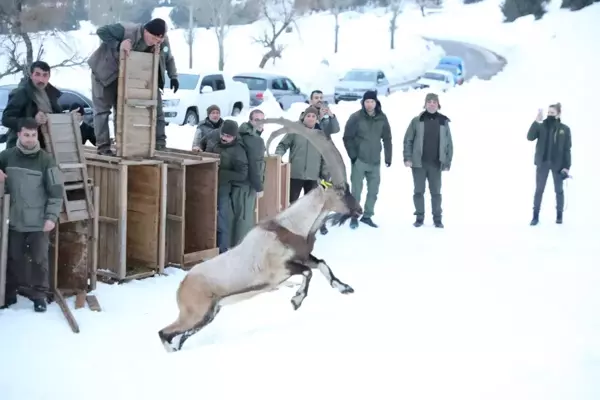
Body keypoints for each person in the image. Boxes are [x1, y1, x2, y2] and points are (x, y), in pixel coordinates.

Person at [87, 18, 179, 155]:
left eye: (159, 40)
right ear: (147, 31)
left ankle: (124, 145)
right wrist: (119, 44)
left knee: (124, 110)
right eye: (154, 39)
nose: (156, 42)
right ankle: (103, 147)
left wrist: (173, 76)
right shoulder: (127, 30)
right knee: (102, 112)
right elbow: (101, 31)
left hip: (126, 76)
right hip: (104, 72)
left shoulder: (162, 41)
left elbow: (168, 57)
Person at [0, 117, 63, 312]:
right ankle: (9, 293)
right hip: (13, 219)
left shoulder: (46, 160)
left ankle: (39, 296)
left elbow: (56, 192)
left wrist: (51, 217)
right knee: (12, 258)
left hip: (38, 222)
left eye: (33, 135)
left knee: (39, 260)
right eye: (26, 135)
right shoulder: (6, 156)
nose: (30, 139)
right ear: (19, 134)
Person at [276, 106, 329, 235]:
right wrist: (278, 156)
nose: (310, 118)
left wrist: (325, 174)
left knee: (312, 203)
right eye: (308, 116)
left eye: (313, 116)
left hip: (313, 174)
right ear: (303, 117)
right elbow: (283, 145)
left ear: (317, 119)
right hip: (295, 173)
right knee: (292, 201)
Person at [343, 90, 392, 229]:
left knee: (373, 191)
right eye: (367, 102)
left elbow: (387, 138)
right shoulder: (356, 117)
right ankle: (354, 215)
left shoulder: (382, 118)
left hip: (375, 161)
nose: (369, 104)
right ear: (363, 103)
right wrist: (353, 156)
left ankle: (367, 216)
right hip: (360, 161)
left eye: (372, 102)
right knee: (356, 191)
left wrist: (388, 157)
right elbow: (347, 138)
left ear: (376, 103)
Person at [403, 93, 453, 229]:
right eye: (429, 102)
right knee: (418, 192)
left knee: (436, 193)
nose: (431, 104)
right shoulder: (417, 121)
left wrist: (447, 162)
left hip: (436, 164)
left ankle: (437, 219)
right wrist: (407, 158)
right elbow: (408, 140)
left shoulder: (443, 121)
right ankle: (419, 217)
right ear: (425, 104)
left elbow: (449, 143)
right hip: (419, 164)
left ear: (438, 104)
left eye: (434, 102)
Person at [199, 120, 248, 253]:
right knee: (202, 215)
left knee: (222, 219)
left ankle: (223, 250)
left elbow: (243, 174)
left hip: (222, 187)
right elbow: (202, 142)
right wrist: (199, 149)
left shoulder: (238, 150)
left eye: (229, 136)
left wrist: (222, 173)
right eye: (223, 135)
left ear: (234, 136)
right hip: (205, 183)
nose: (225, 138)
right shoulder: (214, 135)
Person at [1, 61, 63, 150]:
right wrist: (33, 120)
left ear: (49, 77)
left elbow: (56, 116)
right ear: (31, 75)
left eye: (45, 75)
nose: (41, 79)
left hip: (46, 146)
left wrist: (70, 116)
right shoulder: (21, 93)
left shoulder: (51, 93)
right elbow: (6, 119)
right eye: (37, 74)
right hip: (21, 148)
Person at [527, 103, 571, 225]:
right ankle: (535, 216)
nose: (550, 114)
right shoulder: (541, 127)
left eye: (552, 113)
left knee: (559, 190)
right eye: (548, 112)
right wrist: (536, 121)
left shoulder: (565, 129)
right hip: (543, 163)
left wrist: (567, 167)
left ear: (558, 114)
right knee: (539, 190)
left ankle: (559, 215)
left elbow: (567, 150)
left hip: (558, 164)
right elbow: (530, 137)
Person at [234, 109, 266, 245]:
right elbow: (254, 165)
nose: (260, 122)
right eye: (257, 119)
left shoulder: (245, 134)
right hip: (247, 185)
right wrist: (259, 187)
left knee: (240, 217)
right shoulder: (254, 139)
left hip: (240, 183)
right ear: (250, 121)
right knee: (245, 219)